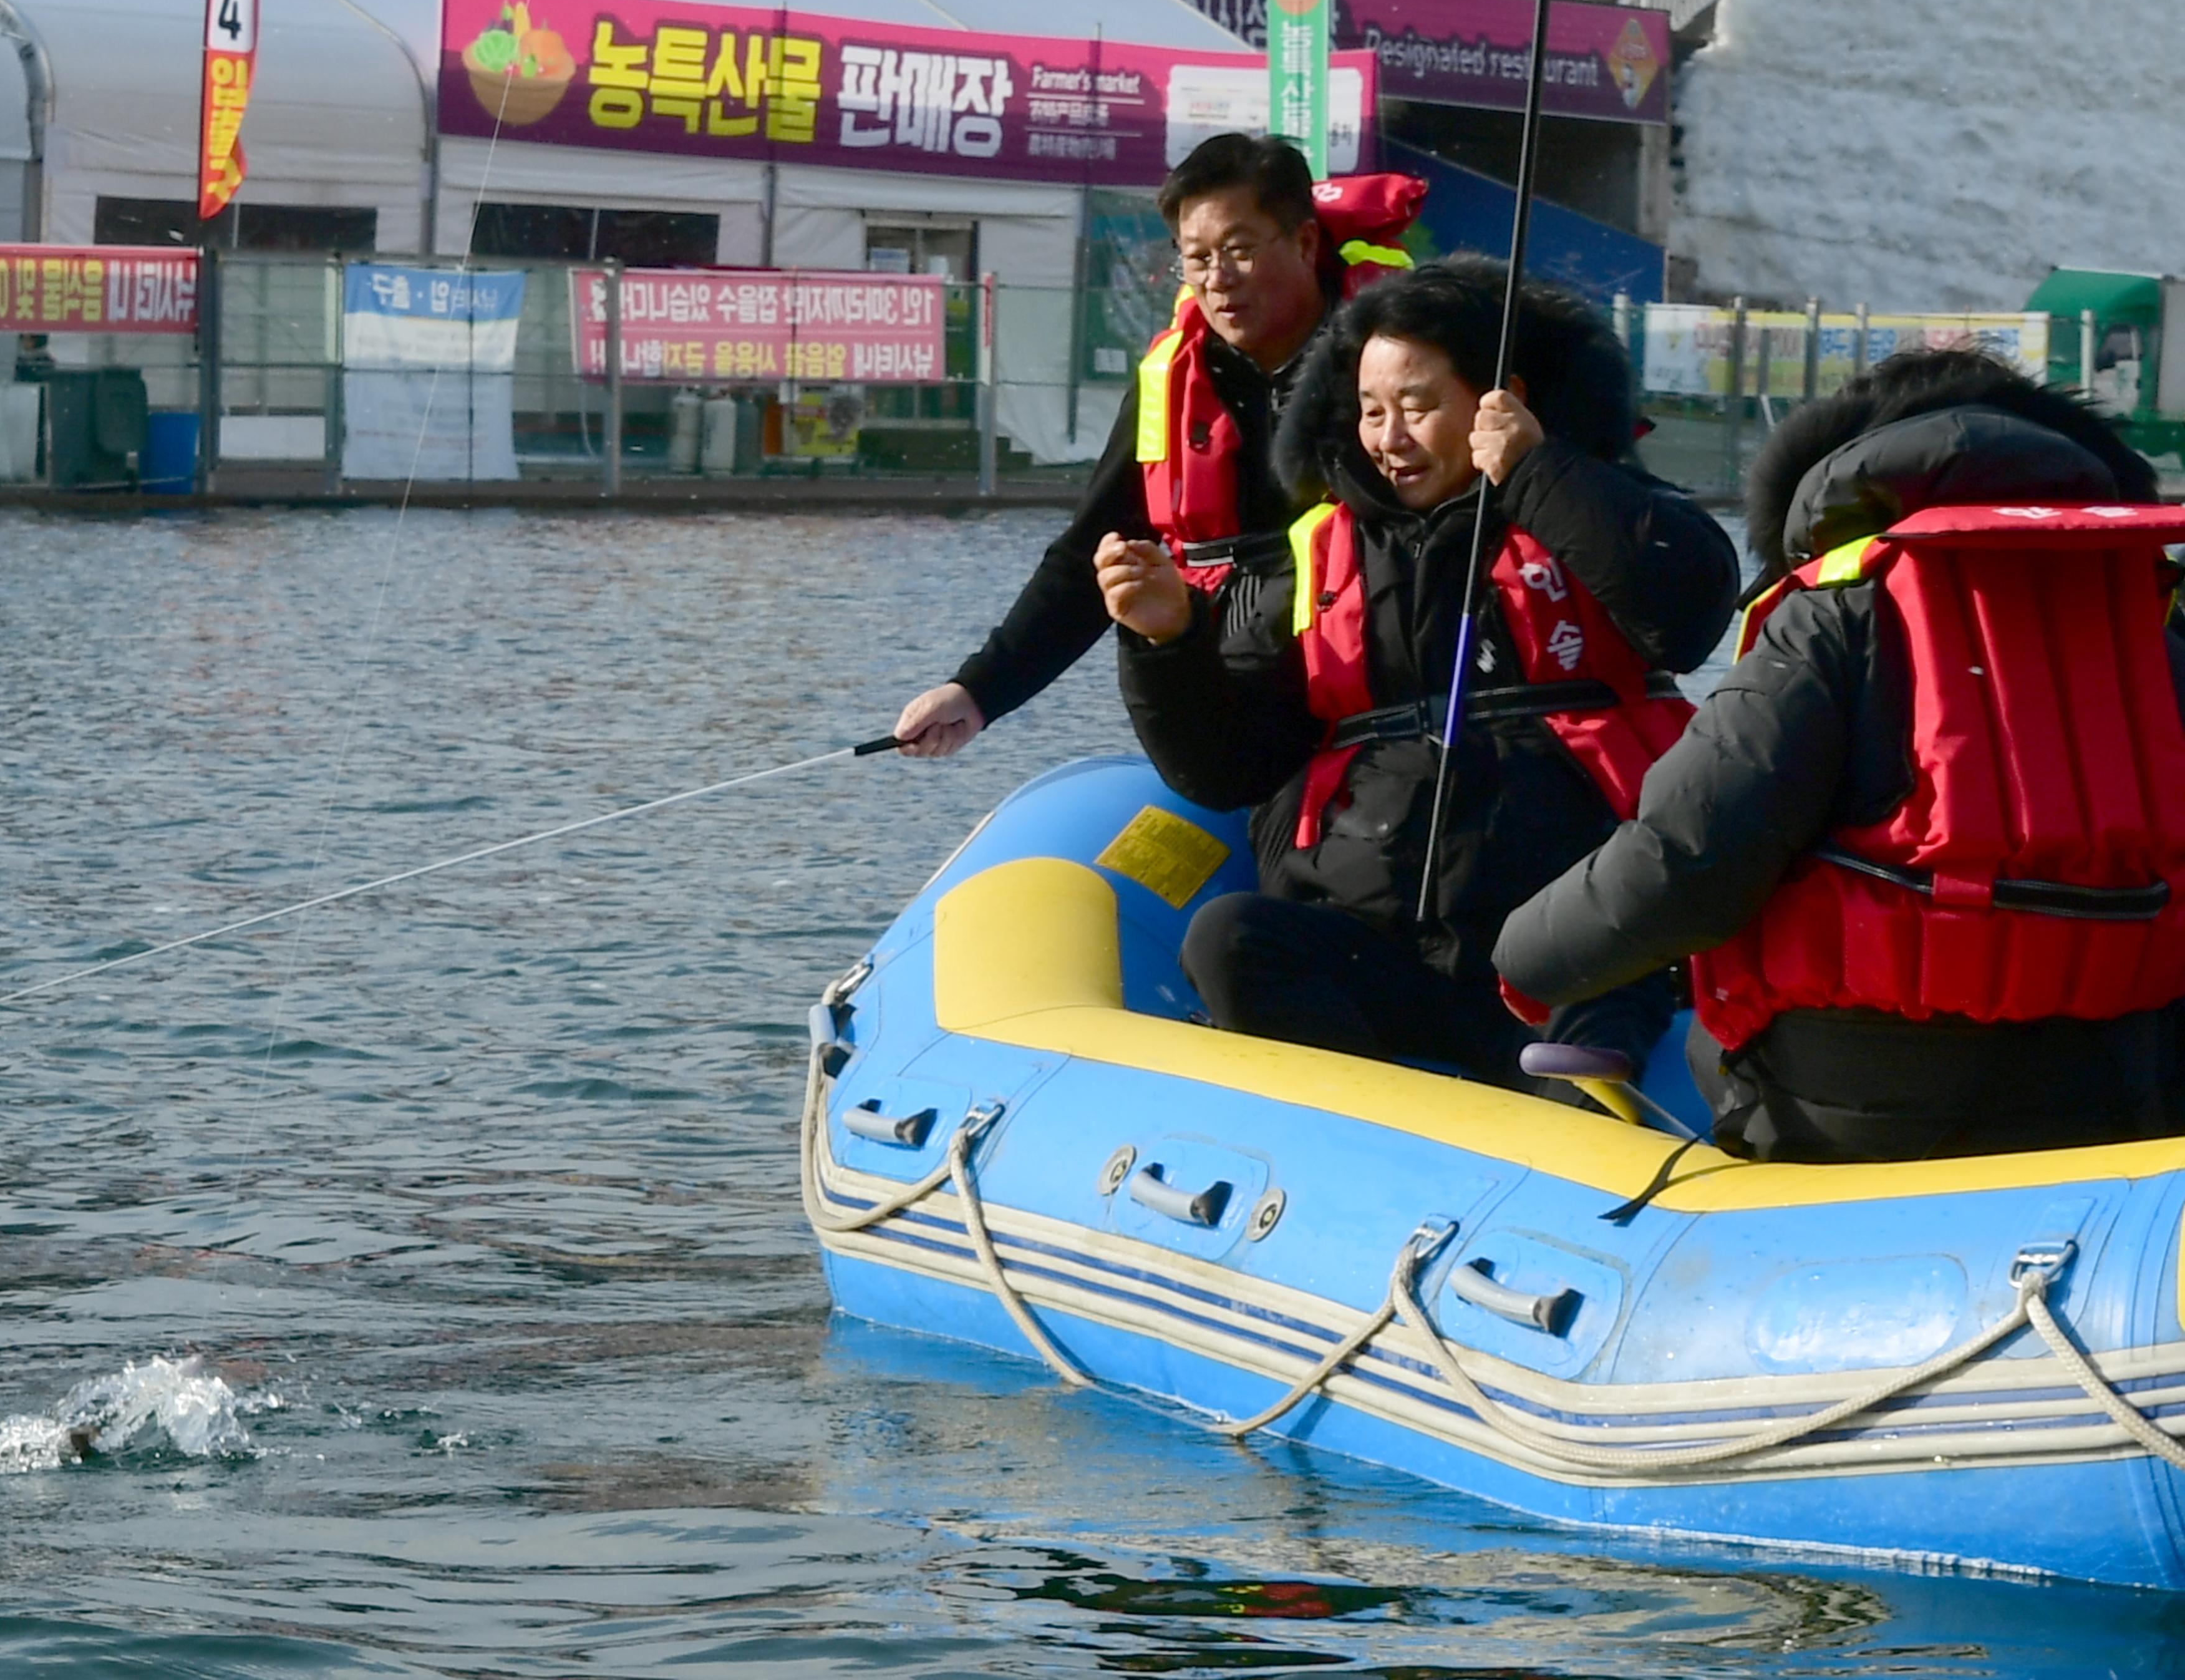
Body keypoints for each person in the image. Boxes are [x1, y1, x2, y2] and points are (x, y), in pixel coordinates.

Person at [1496, 349, 2185, 1161]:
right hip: (2119, 1094)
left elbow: (1687, 859)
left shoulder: (1835, 613)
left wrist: (1524, 963)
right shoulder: (2150, 625)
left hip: (1854, 1109)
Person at [1101, 256, 1738, 1091]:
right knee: (1231, 939)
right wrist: (1168, 642)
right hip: (1381, 940)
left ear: (1496, 399)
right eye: (1370, 411)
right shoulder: (1316, 555)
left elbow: (1686, 615)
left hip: (1561, 953)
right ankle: (1362, 1148)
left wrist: (1540, 472)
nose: (1390, 438)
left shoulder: (1598, 508)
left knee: (1603, 1002)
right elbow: (1227, 769)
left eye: (1418, 407)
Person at [887, 134, 1351, 759]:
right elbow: (1091, 553)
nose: (1218, 279)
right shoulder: (1173, 382)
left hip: (1352, 688)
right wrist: (976, 692)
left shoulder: (1387, 362)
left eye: (1238, 250)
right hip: (1222, 694)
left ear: (1302, 242)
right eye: (1196, 257)